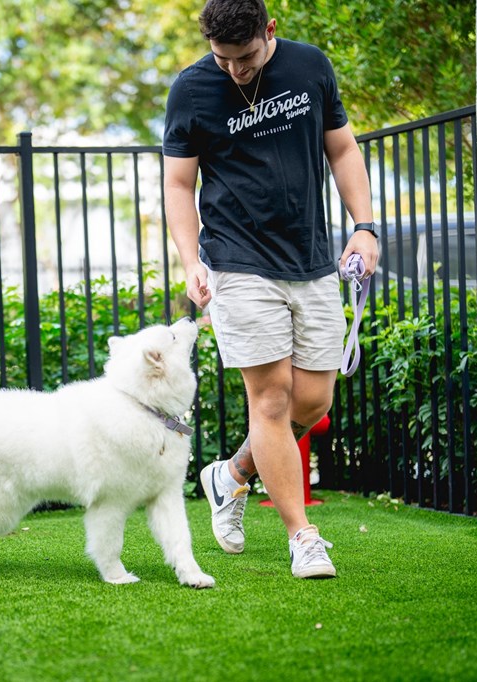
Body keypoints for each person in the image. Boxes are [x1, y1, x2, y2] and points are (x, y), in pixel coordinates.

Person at [162, 0, 379, 579]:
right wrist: (190, 260)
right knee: (273, 400)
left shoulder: (310, 68)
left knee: (312, 402)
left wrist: (363, 226)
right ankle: (302, 537)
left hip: (311, 259)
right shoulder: (190, 90)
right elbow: (180, 184)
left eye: (247, 57)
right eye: (222, 59)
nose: (235, 69)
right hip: (237, 261)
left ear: (271, 32)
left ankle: (229, 475)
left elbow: (342, 149)